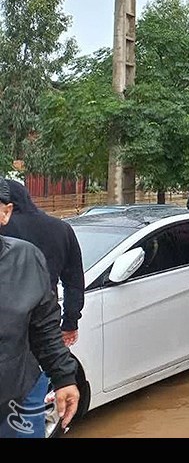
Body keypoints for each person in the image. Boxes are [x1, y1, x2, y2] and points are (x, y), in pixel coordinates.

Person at [0, 177, 80, 438]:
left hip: (17, 395)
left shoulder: (25, 258)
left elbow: (43, 326)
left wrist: (64, 377)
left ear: (5, 212)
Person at [0, 180, 84, 347]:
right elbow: (74, 282)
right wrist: (70, 322)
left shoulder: (5, 230)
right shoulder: (62, 229)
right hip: (46, 320)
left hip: (8, 325)